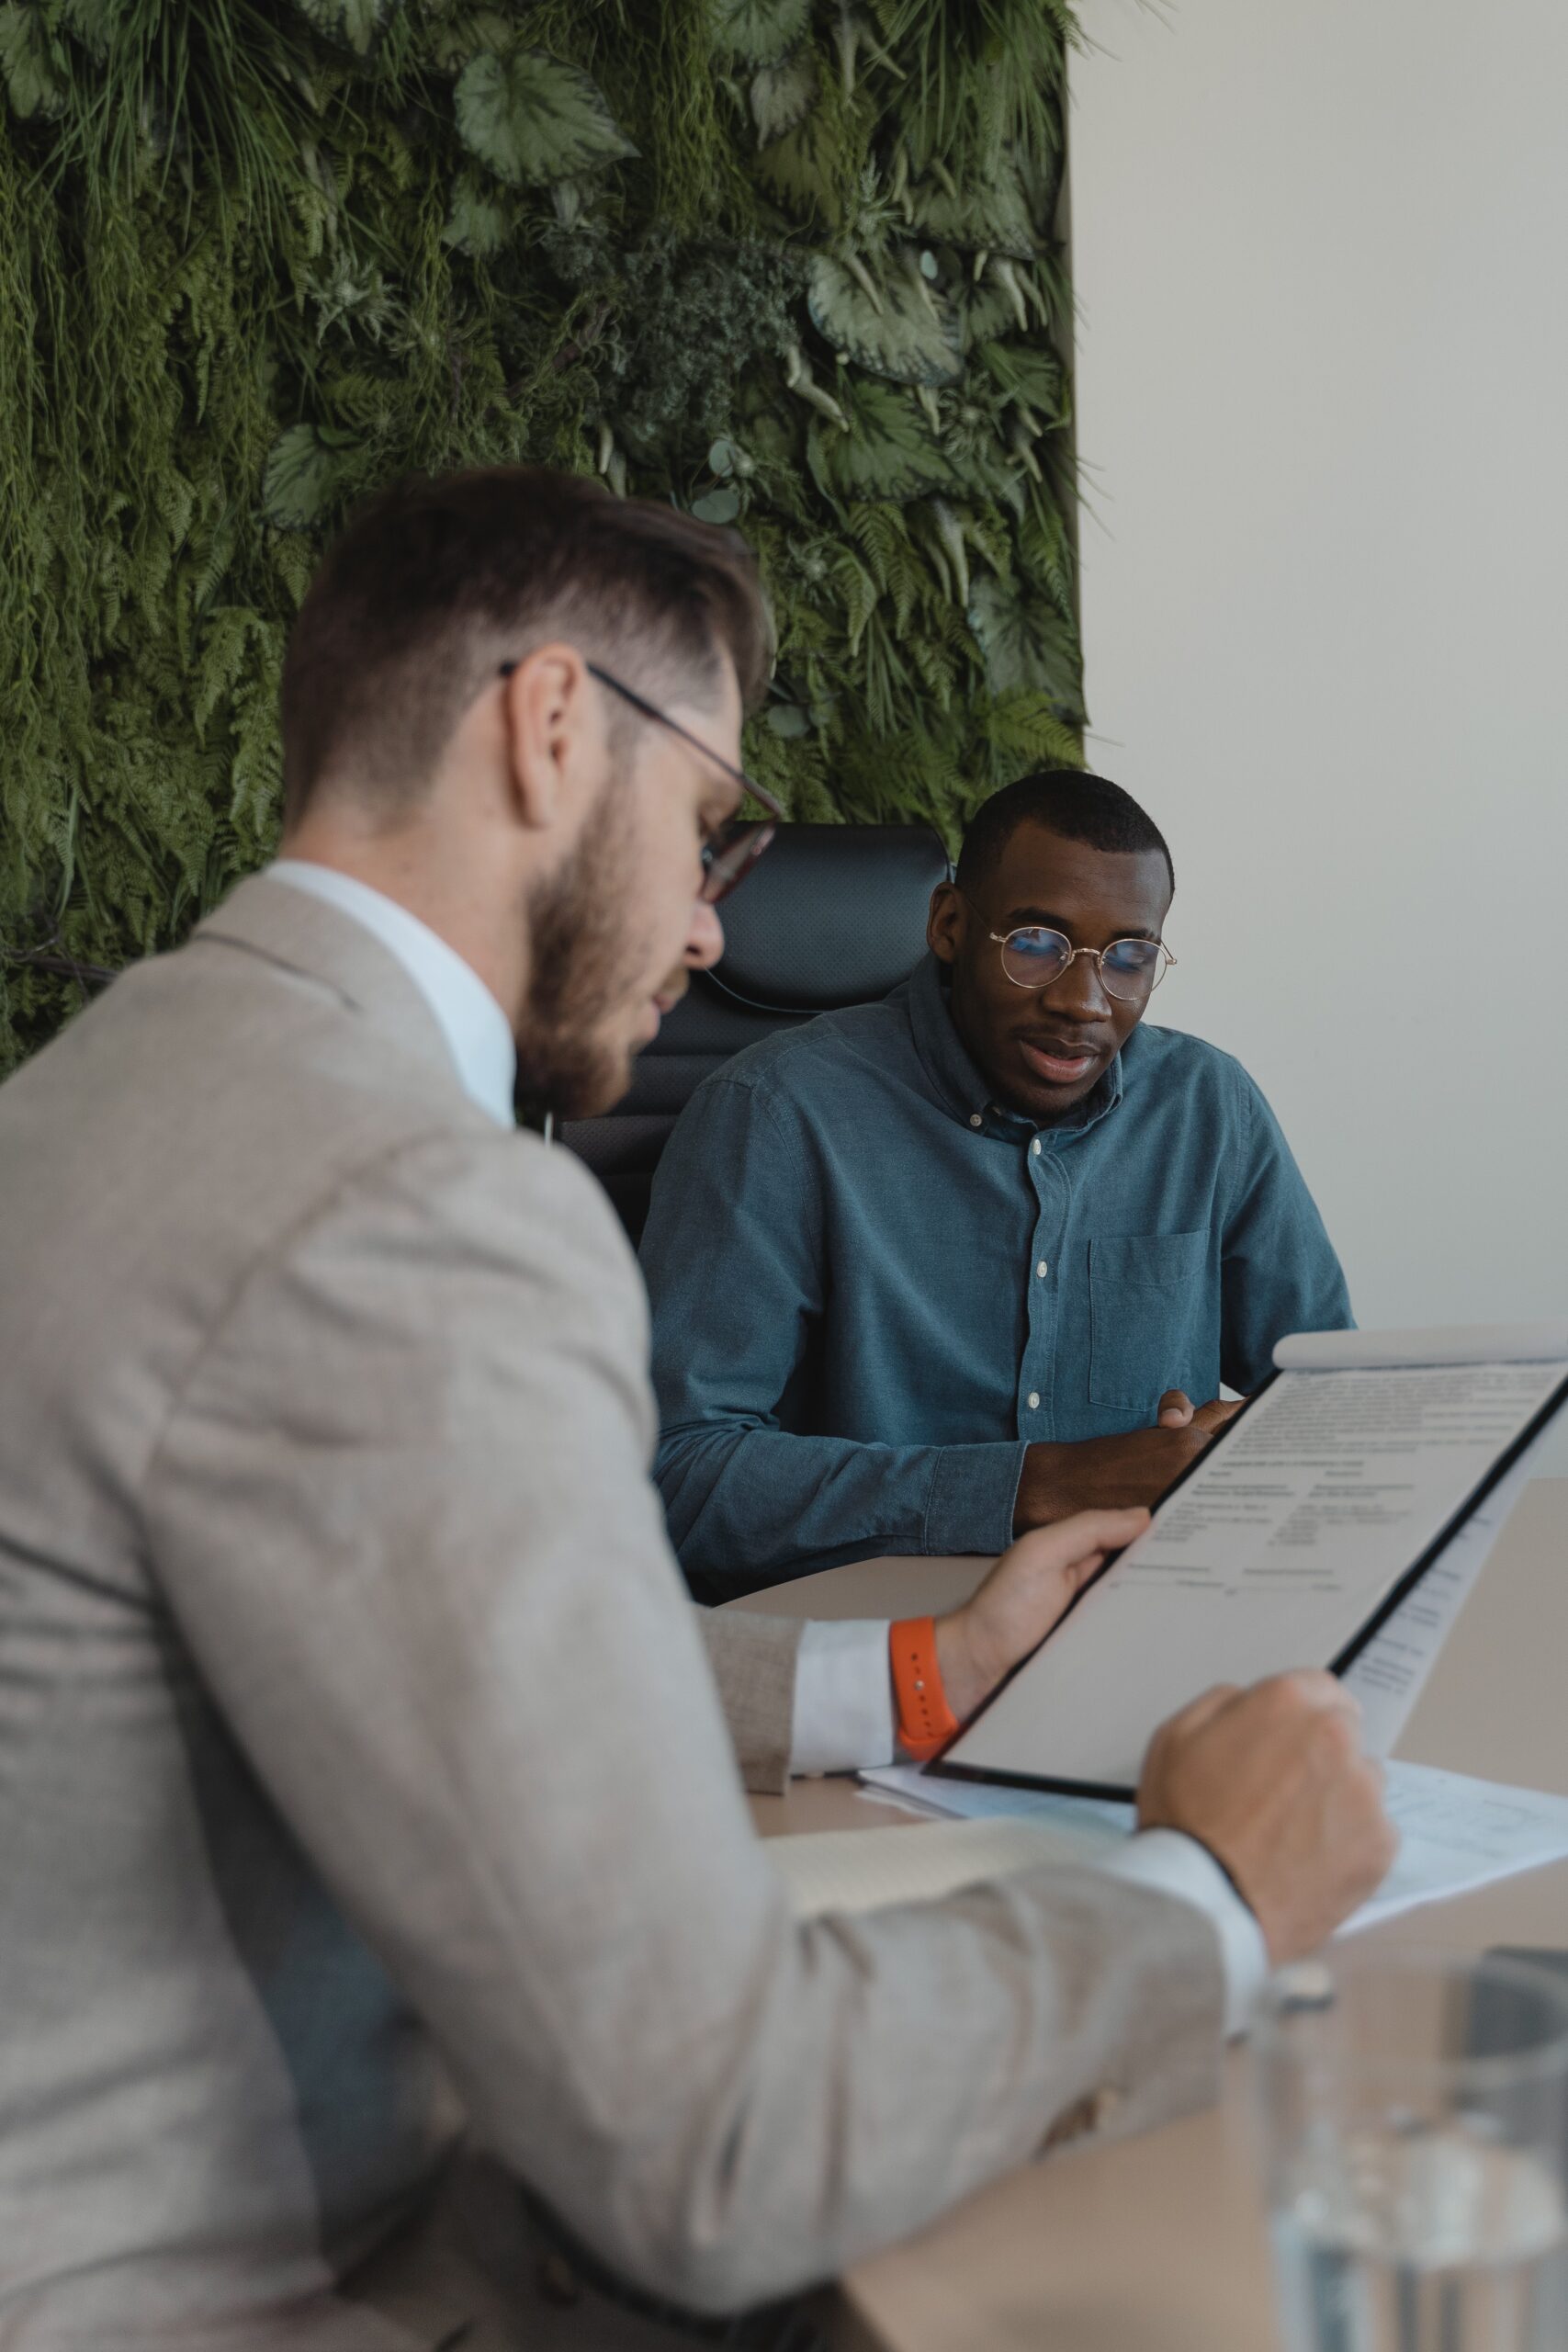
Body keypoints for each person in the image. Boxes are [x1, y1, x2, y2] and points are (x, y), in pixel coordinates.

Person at [0, 468, 1393, 2352]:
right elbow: (710, 2134)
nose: (715, 929)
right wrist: (1206, 1892)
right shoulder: (411, 1210)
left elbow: (431, 1667)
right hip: (269, 2280)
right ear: (553, 723)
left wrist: (904, 1679)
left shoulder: (122, 1084)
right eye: (710, 830)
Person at [641, 770, 1352, 1595]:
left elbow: (1333, 1405)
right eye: (1036, 943)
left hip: (1141, 1620)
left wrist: (1247, 1444)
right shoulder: (774, 1115)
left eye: (1129, 957)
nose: (1084, 1001)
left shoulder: (1206, 1106)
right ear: (948, 925)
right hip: (871, 1651)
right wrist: (1037, 1486)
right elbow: (672, 1475)